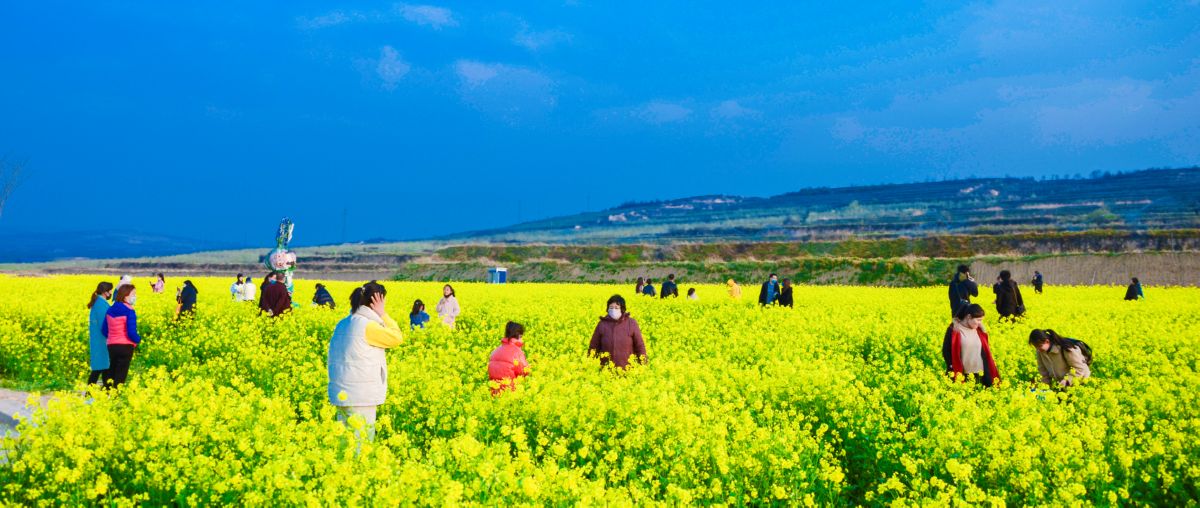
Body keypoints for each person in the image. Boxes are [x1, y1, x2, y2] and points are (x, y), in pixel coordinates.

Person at [327, 281, 404, 442]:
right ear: (377, 301)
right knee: (362, 443)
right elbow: (397, 338)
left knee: (345, 443)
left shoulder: (343, 323)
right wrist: (383, 314)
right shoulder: (367, 326)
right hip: (360, 396)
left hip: (342, 393)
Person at [942, 303, 1000, 387]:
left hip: (981, 374)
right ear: (969, 317)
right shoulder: (954, 330)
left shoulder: (979, 330)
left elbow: (986, 352)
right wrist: (951, 366)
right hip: (962, 375)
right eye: (978, 320)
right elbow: (946, 351)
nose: (980, 323)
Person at [588, 295, 647, 368]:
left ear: (622, 309)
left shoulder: (631, 323)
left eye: (616, 308)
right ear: (607, 309)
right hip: (606, 370)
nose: (613, 310)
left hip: (628, 369)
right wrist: (589, 364)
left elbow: (640, 346)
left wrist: (643, 364)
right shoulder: (602, 324)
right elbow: (594, 346)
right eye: (611, 307)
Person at [101, 284, 142, 388]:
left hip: (111, 346)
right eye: (133, 294)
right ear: (125, 296)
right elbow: (131, 333)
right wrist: (138, 339)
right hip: (125, 347)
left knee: (111, 371)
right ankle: (117, 394)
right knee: (121, 374)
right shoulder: (130, 311)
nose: (135, 296)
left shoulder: (110, 310)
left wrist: (113, 337)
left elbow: (104, 330)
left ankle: (106, 392)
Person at [487, 321, 530, 395]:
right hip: (511, 393)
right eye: (521, 337)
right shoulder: (517, 352)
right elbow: (524, 372)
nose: (522, 340)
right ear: (518, 336)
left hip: (495, 393)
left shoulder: (495, 351)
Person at [86, 281, 114, 385]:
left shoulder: (99, 302)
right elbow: (104, 325)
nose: (111, 293)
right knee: (99, 368)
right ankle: (90, 393)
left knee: (105, 367)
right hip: (101, 340)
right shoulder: (100, 304)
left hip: (100, 339)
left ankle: (106, 391)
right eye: (110, 290)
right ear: (105, 292)